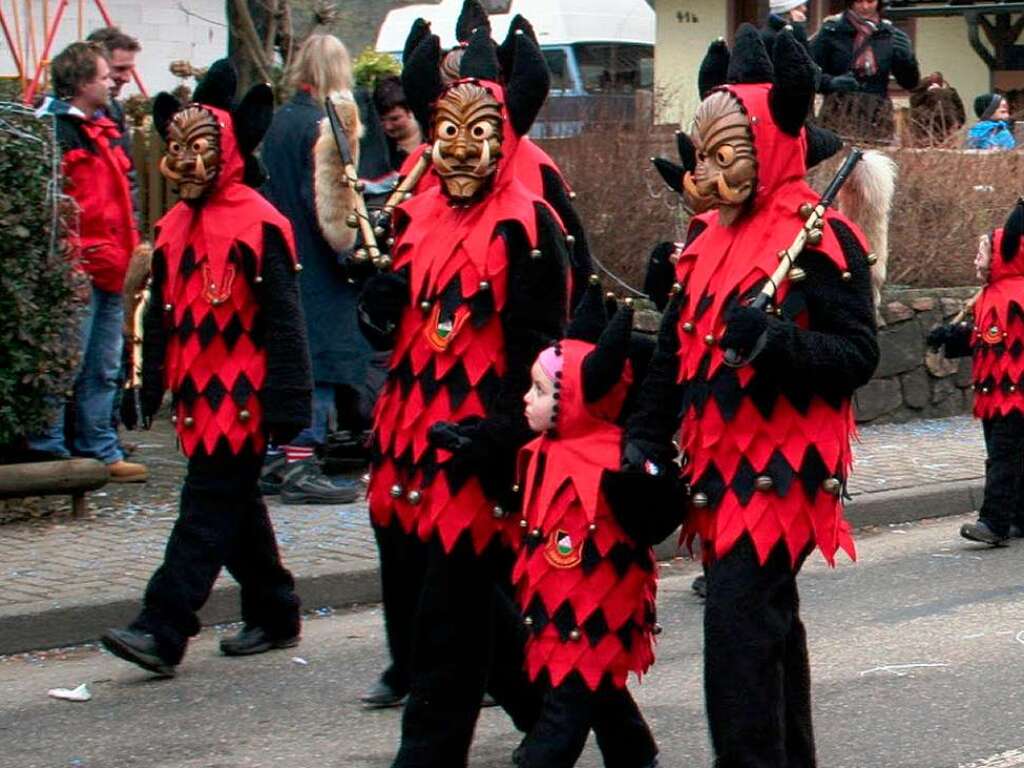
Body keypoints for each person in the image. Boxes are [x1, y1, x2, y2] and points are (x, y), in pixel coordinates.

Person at [627, 28, 879, 765]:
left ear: (766, 148)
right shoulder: (703, 239)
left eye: (723, 155)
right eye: (699, 157)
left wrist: (775, 342)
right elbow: (675, 354)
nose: (704, 174)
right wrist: (644, 437)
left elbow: (858, 355)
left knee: (737, 633)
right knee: (765, 625)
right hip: (717, 467)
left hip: (785, 469)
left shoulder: (824, 238)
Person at [354, 27, 567, 767]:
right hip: (408, 439)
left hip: (478, 447)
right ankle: (567, 719)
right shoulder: (413, 217)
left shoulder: (532, 228)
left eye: (478, 133)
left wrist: (501, 435)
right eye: (447, 132)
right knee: (467, 607)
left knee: (448, 621)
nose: (459, 149)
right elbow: (406, 323)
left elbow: (542, 350)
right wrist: (377, 305)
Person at [100, 60, 312, 676]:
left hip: (242, 398)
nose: (186, 160)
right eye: (178, 147)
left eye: (199, 148)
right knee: (234, 508)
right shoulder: (171, 227)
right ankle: (276, 612)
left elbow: (284, 320)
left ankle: (162, 627)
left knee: (205, 509)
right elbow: (160, 316)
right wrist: (147, 383)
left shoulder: (260, 223)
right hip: (197, 399)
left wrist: (289, 401)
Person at [512, 292, 661, 768]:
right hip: (554, 602)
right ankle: (634, 752)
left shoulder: (614, 460)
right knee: (597, 687)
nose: (526, 398)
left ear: (574, 400)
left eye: (539, 390)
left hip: (596, 609)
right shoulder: (542, 449)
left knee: (568, 701)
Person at [27, 42, 147, 482]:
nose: (112, 82)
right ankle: (51, 450)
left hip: (112, 266)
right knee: (66, 362)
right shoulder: (53, 129)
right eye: (102, 76)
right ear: (80, 83)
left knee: (103, 365)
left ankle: (99, 448)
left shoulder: (107, 125)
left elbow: (125, 193)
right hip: (78, 267)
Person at [259, 33, 366, 505]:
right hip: (316, 259)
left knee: (285, 354)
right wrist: (355, 251)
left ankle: (274, 457)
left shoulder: (280, 121)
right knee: (317, 359)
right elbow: (330, 205)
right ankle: (302, 457)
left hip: (280, 250)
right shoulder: (324, 127)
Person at [928, 202, 1024, 545]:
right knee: (1009, 457)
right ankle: (1018, 517)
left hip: (1016, 394)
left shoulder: (1016, 294)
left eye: (982, 253)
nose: (975, 260)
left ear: (1003, 254)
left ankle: (994, 523)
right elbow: (989, 338)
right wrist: (952, 337)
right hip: (997, 392)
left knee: (1003, 457)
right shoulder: (990, 295)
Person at [811, 0, 920, 141]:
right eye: (858, 1)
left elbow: (910, 83)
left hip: (877, 115)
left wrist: (908, 59)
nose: (865, 7)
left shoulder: (890, 35)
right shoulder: (831, 32)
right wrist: (831, 83)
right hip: (838, 111)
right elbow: (809, 74)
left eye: (870, 1)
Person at [373, 75, 423, 170]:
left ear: (410, 112)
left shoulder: (433, 135)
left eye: (395, 119)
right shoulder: (380, 150)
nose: (388, 127)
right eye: (382, 120)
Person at [908, 71, 965, 146]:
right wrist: (956, 125)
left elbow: (914, 110)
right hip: (948, 130)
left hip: (926, 130)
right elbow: (961, 113)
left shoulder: (920, 95)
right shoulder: (950, 93)